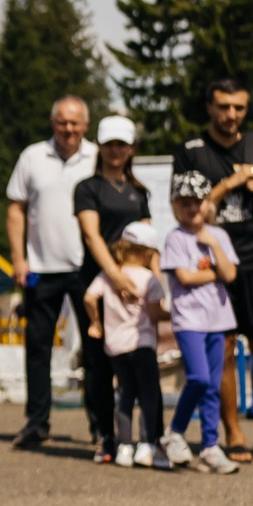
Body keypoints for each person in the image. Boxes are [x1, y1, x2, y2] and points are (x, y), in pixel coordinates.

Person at [174, 79, 253, 464]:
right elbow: (188, 208)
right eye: (224, 107)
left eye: (239, 108)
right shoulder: (192, 151)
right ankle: (233, 434)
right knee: (223, 348)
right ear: (209, 107)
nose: (231, 115)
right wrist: (231, 182)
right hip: (212, 264)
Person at [6, 97, 96, 450]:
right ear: (52, 122)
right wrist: (18, 258)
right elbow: (16, 209)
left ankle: (100, 423)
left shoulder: (97, 156)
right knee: (38, 348)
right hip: (41, 266)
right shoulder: (32, 156)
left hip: (85, 267)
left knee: (95, 348)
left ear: (85, 125)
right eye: (62, 122)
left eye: (75, 123)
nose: (68, 129)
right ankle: (37, 422)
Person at [73, 116, 153, 463]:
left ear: (131, 148)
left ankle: (145, 438)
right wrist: (116, 277)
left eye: (121, 144)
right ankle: (105, 434)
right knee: (99, 362)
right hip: (100, 282)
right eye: (109, 144)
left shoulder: (139, 191)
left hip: (135, 288)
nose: (115, 150)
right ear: (101, 147)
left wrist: (151, 281)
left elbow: (147, 239)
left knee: (139, 361)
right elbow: (92, 235)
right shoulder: (87, 188)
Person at [161, 173, 241, 473]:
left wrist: (214, 247)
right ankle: (175, 431)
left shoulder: (218, 236)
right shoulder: (175, 238)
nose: (192, 208)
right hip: (189, 319)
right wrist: (216, 272)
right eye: (185, 203)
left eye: (197, 201)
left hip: (217, 319)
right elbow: (185, 277)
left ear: (208, 203)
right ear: (175, 206)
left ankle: (210, 446)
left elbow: (231, 274)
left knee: (213, 386)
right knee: (199, 378)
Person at [83, 219, 169, 467]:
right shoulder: (148, 278)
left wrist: (95, 322)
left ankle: (124, 446)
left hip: (116, 346)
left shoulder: (109, 276)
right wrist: (175, 316)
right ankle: (147, 443)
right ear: (147, 254)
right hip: (142, 344)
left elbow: (88, 297)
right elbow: (154, 313)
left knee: (125, 394)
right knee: (148, 395)